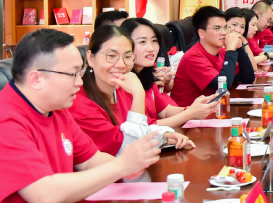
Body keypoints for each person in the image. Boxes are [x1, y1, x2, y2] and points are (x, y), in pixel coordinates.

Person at [0, 29, 160, 203]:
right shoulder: (1, 121)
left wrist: (130, 166)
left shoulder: (57, 109)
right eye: (72, 74)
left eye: (80, 72)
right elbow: (44, 195)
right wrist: (121, 166)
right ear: (36, 79)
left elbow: (90, 160)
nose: (80, 82)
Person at [69, 26, 194, 155]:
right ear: (91, 58)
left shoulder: (121, 89)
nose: (121, 64)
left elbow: (142, 126)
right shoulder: (79, 104)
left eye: (128, 57)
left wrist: (163, 136)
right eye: (111, 56)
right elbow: (127, 149)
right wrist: (139, 94)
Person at [120, 18, 218, 128]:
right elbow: (145, 128)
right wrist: (190, 113)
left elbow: (165, 110)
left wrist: (198, 108)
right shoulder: (124, 82)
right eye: (142, 42)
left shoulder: (148, 74)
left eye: (154, 41)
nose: (151, 48)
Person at [170, 6, 243, 107]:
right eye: (217, 28)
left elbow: (246, 77)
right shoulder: (193, 57)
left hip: (213, 110)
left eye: (225, 28)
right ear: (202, 33)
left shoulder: (221, 52)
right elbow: (223, 87)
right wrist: (231, 49)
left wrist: (239, 47)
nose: (224, 33)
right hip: (188, 114)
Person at [225, 7, 266, 78]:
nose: (238, 30)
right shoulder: (219, 46)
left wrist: (244, 42)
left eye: (242, 27)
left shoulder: (239, 43)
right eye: (234, 25)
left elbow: (253, 69)